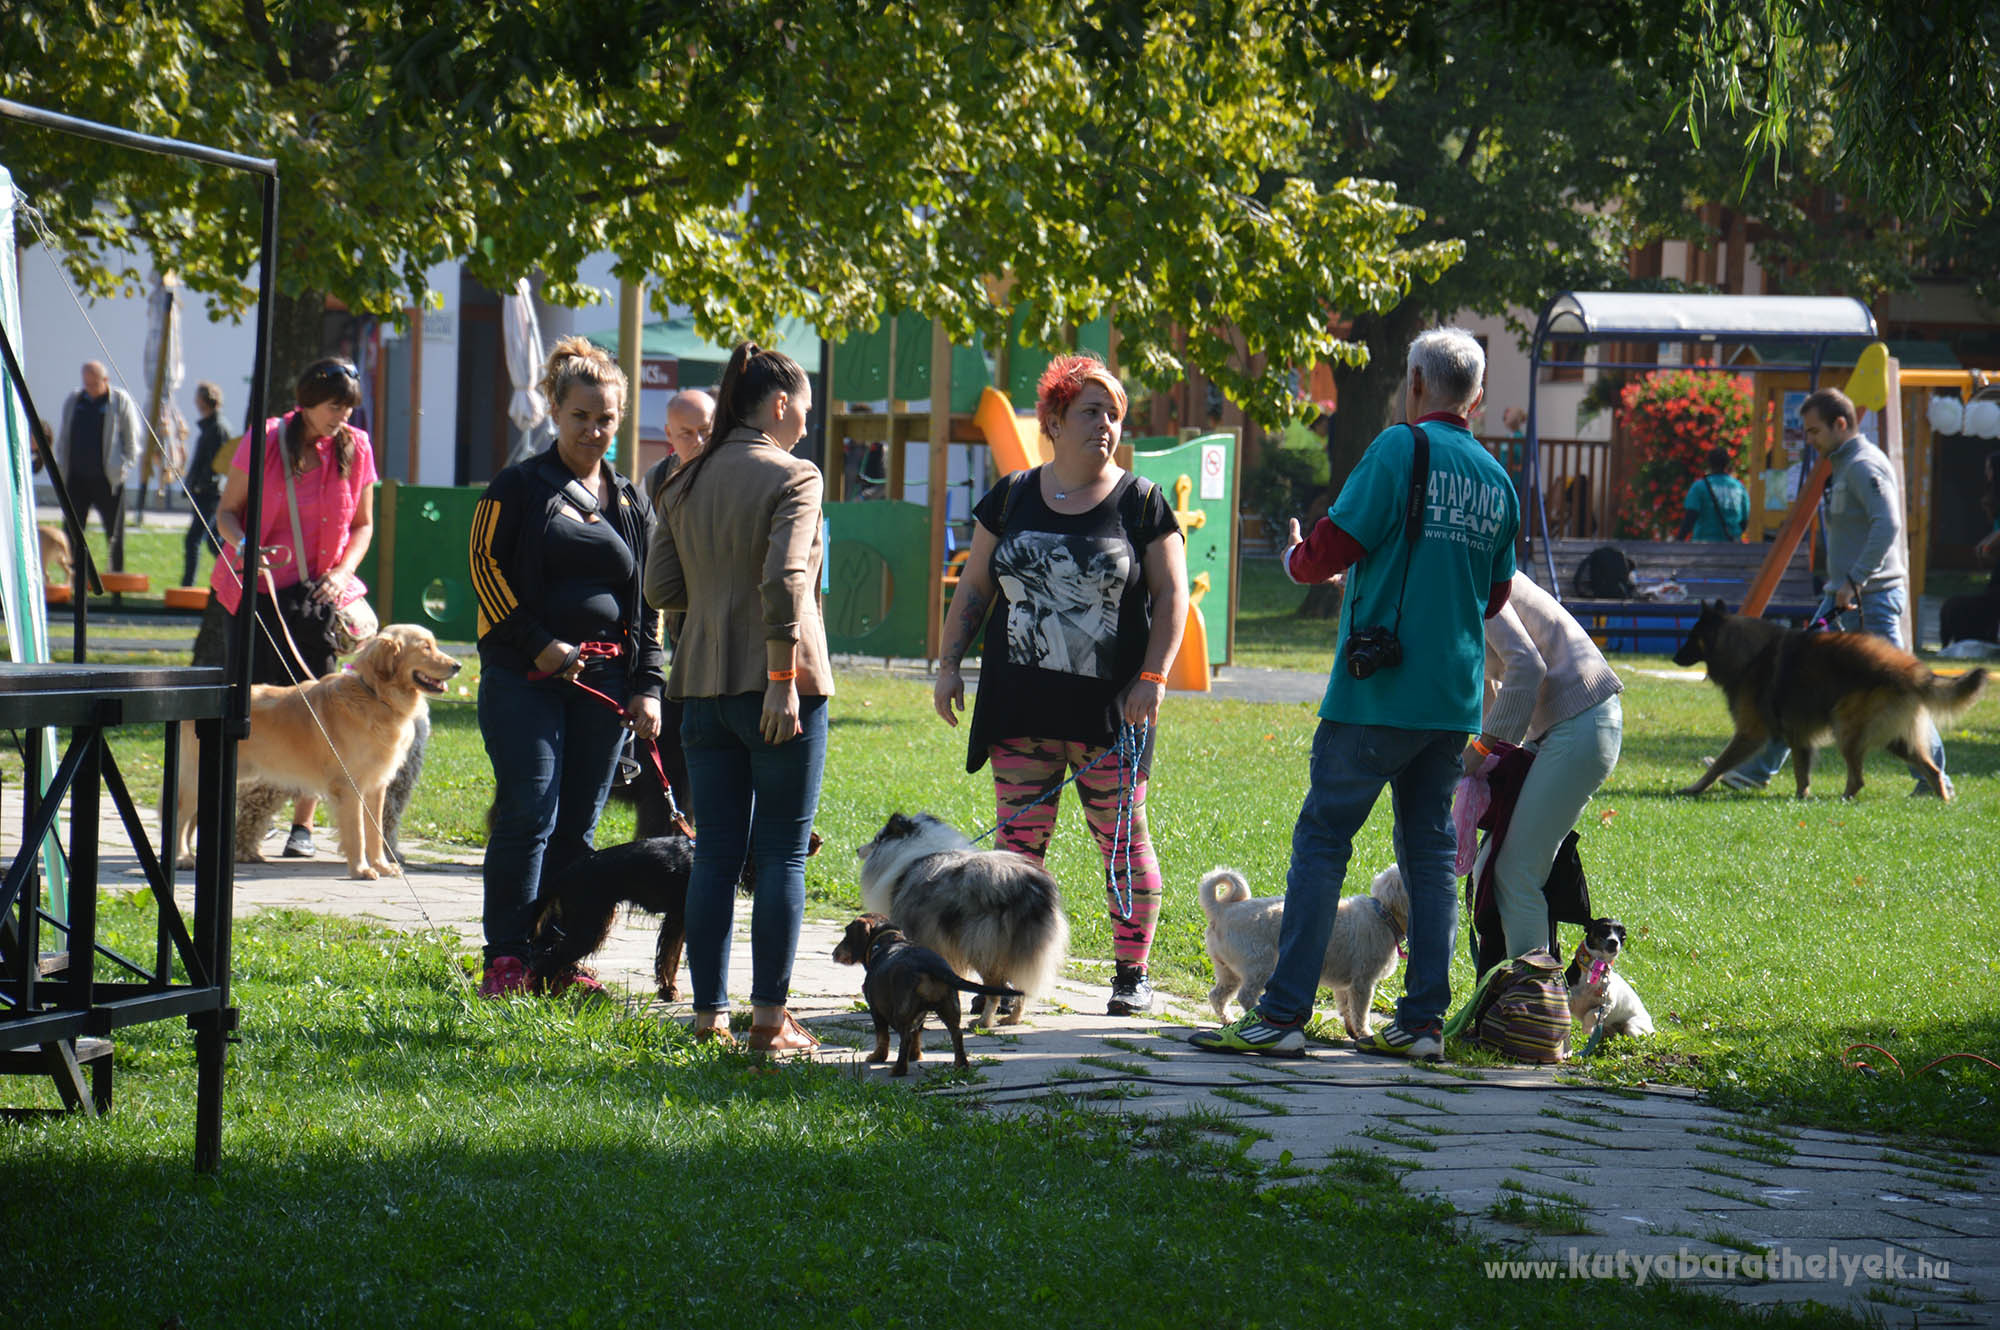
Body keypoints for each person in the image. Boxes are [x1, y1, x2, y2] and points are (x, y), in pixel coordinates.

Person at [1192, 327, 1519, 1061]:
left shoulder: (1399, 449)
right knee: (1432, 858)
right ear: (1478, 393)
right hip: (1453, 700)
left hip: (1379, 696)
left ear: (1414, 383)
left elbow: (1324, 554)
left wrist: (1296, 553)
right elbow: (1494, 592)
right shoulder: (1497, 480)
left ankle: (1281, 1015)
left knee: (1322, 843)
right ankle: (1422, 1023)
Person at [935, 353, 1188, 1017]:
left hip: (1112, 715)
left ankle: (1130, 974)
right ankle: (1008, 979)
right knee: (1017, 856)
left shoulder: (1141, 502)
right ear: (1053, 420)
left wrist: (1154, 676)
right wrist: (947, 663)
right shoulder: (1013, 495)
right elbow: (976, 588)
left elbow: (1172, 597)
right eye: (1089, 411)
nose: (1104, 423)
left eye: (1112, 412)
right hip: (1021, 707)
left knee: (1122, 843)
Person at [646, 342, 831, 1050]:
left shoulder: (682, 481)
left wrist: (714, 582)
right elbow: (787, 578)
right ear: (779, 404)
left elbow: (661, 589)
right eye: (804, 413)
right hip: (780, 688)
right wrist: (782, 679)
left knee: (717, 856)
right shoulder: (796, 476)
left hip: (699, 686)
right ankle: (767, 1022)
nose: (806, 429)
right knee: (782, 855)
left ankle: (706, 1018)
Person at [470, 337, 665, 998]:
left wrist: (648, 687)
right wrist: (539, 644)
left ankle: (556, 957)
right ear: (556, 410)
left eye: (606, 418)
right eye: (582, 416)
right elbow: (484, 572)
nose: (594, 430)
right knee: (531, 811)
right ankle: (507, 955)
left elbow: (647, 604)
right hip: (524, 680)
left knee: (579, 827)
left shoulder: (631, 501)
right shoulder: (518, 486)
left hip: (606, 689)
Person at [1714, 386, 1948, 795]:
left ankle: (1933, 778)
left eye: (1814, 431)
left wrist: (1856, 579)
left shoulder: (1863, 466)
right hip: (1842, 595)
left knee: (1904, 687)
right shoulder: (1842, 465)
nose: (1809, 440)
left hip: (1869, 598)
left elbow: (1888, 525)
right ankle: (1755, 770)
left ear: (1841, 424)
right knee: (1793, 681)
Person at [206, 357, 378, 858]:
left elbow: (363, 525)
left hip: (318, 597)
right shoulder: (264, 440)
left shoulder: (356, 446)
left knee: (320, 712)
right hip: (257, 593)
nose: (341, 416)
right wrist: (243, 547)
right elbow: (227, 513)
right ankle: (234, 823)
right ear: (305, 401)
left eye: (348, 408)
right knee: (253, 709)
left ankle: (301, 829)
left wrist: (344, 572)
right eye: (332, 406)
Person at [1471, 572, 1624, 958]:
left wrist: (1483, 750)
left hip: (1579, 721)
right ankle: (1511, 994)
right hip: (1565, 725)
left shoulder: (1466, 569)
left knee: (1515, 874)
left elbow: (1525, 665)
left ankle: (1534, 1004)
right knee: (1496, 864)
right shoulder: (1453, 565)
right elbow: (1492, 683)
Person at [637, 388, 715, 811]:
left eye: (707, 430)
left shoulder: (728, 472)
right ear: (670, 434)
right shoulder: (658, 477)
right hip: (677, 617)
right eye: (687, 433)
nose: (699, 441)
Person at [51, 361, 146, 571]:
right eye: (87, 384)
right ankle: (74, 579)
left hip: (107, 480)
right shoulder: (74, 400)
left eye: (94, 384)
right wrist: (62, 465)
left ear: (106, 380)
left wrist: (123, 467)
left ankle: (116, 583)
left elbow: (132, 441)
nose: (91, 388)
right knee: (72, 533)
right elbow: (64, 436)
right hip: (76, 478)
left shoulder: (119, 401)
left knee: (114, 535)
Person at [180, 381, 233, 587]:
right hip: (206, 492)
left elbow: (218, 463)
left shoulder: (217, 428)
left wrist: (202, 484)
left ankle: (188, 585)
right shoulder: (211, 426)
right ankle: (229, 575)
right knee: (212, 542)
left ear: (203, 401)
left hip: (211, 494)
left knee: (196, 540)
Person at [1678, 446, 1750, 541]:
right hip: (1732, 548)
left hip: (1703, 546)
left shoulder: (1699, 487)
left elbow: (1690, 517)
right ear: (1727, 463)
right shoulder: (1739, 487)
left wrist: (1678, 541)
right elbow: (1744, 521)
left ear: (1709, 464)